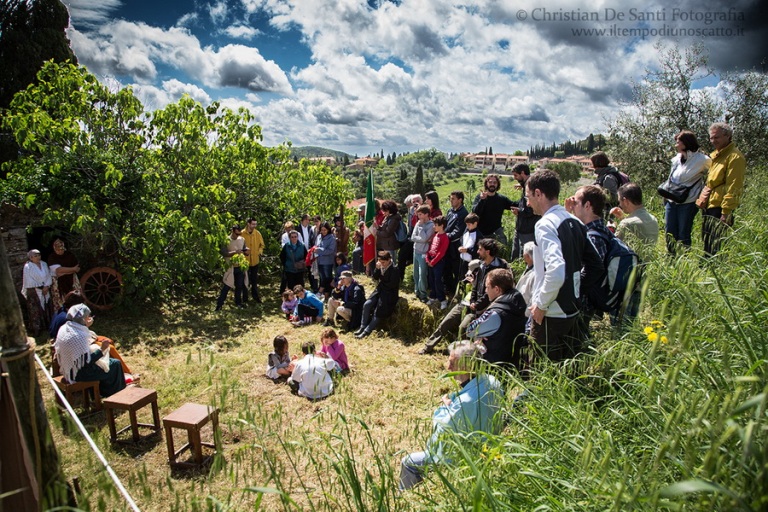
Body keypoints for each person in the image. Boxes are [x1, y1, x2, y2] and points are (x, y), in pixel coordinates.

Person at [399, 341, 503, 491]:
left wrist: (446, 407)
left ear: (466, 366)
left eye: (452, 364)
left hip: (467, 453)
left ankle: (405, 496)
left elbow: (443, 428)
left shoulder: (465, 402)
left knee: (408, 462)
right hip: (490, 444)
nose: (448, 368)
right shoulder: (493, 381)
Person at [526, 170, 604, 363]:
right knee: (566, 369)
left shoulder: (545, 225)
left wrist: (542, 304)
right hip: (571, 309)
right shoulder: (575, 221)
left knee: (542, 373)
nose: (527, 203)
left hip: (550, 313)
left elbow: (556, 269)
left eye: (528, 197)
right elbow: (596, 266)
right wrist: (574, 290)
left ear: (538, 193)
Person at [420, 238, 508, 354]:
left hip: (482, 308)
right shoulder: (481, 265)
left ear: (487, 252)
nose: (477, 252)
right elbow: (476, 286)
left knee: (463, 328)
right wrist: (472, 300)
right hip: (468, 302)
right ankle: (428, 347)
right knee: (446, 322)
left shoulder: (498, 270)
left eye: (480, 250)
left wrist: (477, 305)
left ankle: (459, 354)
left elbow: (490, 294)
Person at [53, 304, 126, 397]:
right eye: (87, 316)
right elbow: (87, 362)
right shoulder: (79, 335)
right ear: (83, 318)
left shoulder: (65, 328)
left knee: (106, 363)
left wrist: (86, 325)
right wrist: (102, 349)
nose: (89, 318)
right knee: (115, 364)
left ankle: (100, 392)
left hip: (68, 369)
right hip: (78, 373)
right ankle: (114, 393)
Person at [697, 122, 746, 257]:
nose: (713, 141)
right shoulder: (716, 156)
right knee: (707, 238)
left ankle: (716, 269)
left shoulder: (735, 157)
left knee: (716, 242)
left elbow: (734, 187)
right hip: (710, 203)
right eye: (711, 138)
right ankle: (706, 267)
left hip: (720, 206)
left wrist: (726, 212)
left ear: (728, 136)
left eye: (716, 137)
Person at [465, 268, 528, 370]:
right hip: (512, 366)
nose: (486, 291)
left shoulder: (496, 313)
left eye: (487, 287)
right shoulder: (519, 304)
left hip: (492, 367)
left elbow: (470, 331)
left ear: (497, 289)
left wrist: (480, 336)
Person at [661, 130, 709, 254]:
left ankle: (684, 259)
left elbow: (713, 176)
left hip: (688, 201)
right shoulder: (676, 159)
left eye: (678, 142)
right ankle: (671, 257)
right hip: (671, 200)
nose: (676, 144)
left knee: (683, 232)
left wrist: (703, 193)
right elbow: (671, 178)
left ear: (685, 143)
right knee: (669, 231)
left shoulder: (702, 160)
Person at [355, 251, 399, 338]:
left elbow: (391, 284)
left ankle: (367, 331)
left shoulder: (394, 269)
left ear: (389, 260)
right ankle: (362, 327)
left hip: (389, 293)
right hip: (380, 290)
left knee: (378, 311)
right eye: (380, 262)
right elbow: (375, 277)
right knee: (367, 304)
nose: (381, 264)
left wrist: (382, 278)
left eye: (383, 262)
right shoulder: (380, 266)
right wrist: (377, 269)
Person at [610, 183, 660, 259]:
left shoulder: (627, 223)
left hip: (631, 266)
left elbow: (612, 247)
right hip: (648, 265)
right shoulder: (653, 219)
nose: (619, 204)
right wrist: (622, 218)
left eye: (620, 201)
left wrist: (610, 228)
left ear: (626, 201)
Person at [471, 174, 515, 245]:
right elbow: (475, 212)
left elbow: (514, 204)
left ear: (497, 184)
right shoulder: (479, 197)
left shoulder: (501, 199)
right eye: (490, 182)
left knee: (503, 248)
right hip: (481, 232)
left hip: (496, 231)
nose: (492, 184)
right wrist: (482, 200)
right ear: (486, 183)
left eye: (494, 183)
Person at [510, 164, 541, 260]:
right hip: (522, 227)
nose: (515, 178)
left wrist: (519, 212)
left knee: (525, 257)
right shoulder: (527, 185)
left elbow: (531, 209)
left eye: (516, 175)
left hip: (528, 229)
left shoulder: (531, 186)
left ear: (522, 173)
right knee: (517, 255)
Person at [215, 224, 250, 311]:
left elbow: (244, 250)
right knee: (227, 286)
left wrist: (247, 251)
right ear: (232, 231)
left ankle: (238, 303)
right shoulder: (226, 240)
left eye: (239, 234)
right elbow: (224, 253)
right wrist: (235, 252)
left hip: (240, 266)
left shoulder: (242, 239)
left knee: (239, 286)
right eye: (236, 234)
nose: (238, 235)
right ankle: (219, 305)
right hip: (230, 267)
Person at [22, 249, 53, 336]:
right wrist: (40, 287)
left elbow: (48, 275)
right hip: (34, 290)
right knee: (36, 309)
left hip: (45, 289)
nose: (38, 257)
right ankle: (37, 329)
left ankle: (48, 326)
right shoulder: (28, 266)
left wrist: (46, 286)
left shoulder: (44, 264)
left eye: (39, 255)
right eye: (35, 256)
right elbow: (28, 279)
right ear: (31, 258)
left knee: (47, 307)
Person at [443, 191, 469, 296]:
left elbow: (458, 231)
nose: (451, 200)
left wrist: (445, 236)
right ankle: (449, 288)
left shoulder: (463, 213)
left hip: (456, 245)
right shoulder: (450, 211)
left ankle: (458, 292)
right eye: (451, 198)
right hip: (447, 244)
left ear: (460, 200)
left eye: (453, 199)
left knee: (457, 269)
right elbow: (445, 224)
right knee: (446, 267)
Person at [410, 204, 435, 303]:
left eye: (420, 214)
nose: (418, 217)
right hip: (416, 251)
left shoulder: (431, 225)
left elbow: (425, 238)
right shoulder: (417, 223)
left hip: (424, 253)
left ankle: (423, 294)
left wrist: (420, 228)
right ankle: (417, 292)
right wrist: (421, 238)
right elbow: (412, 237)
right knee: (416, 273)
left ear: (426, 214)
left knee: (422, 274)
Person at [47, 237, 80, 310]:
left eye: (61, 247)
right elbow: (58, 270)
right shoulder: (52, 257)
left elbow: (77, 268)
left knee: (75, 297)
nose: (59, 250)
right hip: (58, 282)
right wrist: (72, 269)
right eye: (57, 247)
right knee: (61, 300)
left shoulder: (69, 255)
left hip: (72, 280)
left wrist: (67, 271)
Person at [425, 216, 450, 309]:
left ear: (442, 225)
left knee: (438, 280)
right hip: (431, 260)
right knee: (431, 279)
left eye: (435, 225)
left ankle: (442, 299)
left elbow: (441, 252)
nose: (433, 227)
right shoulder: (436, 235)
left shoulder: (445, 237)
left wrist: (433, 261)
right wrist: (427, 259)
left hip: (438, 262)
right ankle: (433, 296)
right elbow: (430, 247)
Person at [397, 194, 423, 281]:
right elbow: (411, 225)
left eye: (417, 201)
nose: (415, 204)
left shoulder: (425, 210)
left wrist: (419, 212)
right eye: (413, 202)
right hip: (412, 237)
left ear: (421, 201)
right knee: (401, 255)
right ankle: (399, 277)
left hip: (422, 239)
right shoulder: (411, 210)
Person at [242, 218, 265, 303]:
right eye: (253, 224)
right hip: (245, 261)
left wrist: (259, 252)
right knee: (245, 281)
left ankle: (256, 297)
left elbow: (262, 245)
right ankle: (245, 299)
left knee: (254, 281)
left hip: (255, 261)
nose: (254, 226)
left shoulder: (257, 233)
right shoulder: (242, 234)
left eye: (255, 224)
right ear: (248, 224)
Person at [314, 221, 337, 296]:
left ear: (328, 229)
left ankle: (327, 292)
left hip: (328, 261)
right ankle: (324, 293)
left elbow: (331, 250)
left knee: (328, 277)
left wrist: (319, 250)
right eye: (322, 230)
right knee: (322, 277)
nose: (323, 232)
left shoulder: (332, 238)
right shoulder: (319, 237)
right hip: (319, 261)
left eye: (325, 230)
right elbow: (316, 246)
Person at [457, 212, 481, 277]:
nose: (467, 226)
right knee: (461, 279)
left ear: (475, 223)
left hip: (471, 263)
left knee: (469, 281)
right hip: (462, 260)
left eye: (469, 224)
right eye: (466, 224)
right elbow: (462, 240)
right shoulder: (466, 231)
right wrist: (460, 247)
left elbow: (478, 250)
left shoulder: (478, 235)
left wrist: (467, 250)